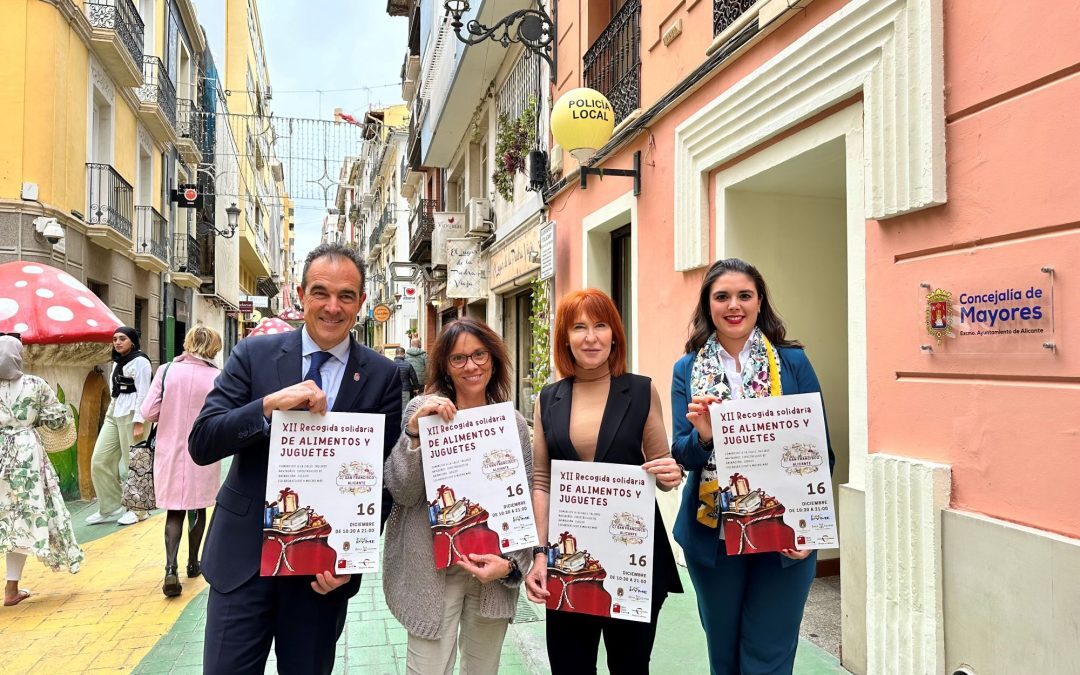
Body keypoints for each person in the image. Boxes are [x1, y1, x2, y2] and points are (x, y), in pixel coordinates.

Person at [189, 243, 402, 674]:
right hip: (242, 563)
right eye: (320, 292)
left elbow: (383, 481)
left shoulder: (382, 375)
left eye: (346, 296)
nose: (332, 307)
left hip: (321, 572)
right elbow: (203, 441)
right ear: (300, 294)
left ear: (362, 303)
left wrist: (350, 557)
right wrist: (267, 406)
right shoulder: (254, 355)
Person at [670, 258, 834, 675]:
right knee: (723, 654)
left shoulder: (793, 363)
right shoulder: (687, 370)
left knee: (770, 654)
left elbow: (819, 452)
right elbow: (683, 455)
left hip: (783, 528)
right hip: (713, 531)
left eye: (744, 295)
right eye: (721, 296)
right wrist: (704, 435)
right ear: (708, 306)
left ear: (760, 302)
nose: (733, 305)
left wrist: (808, 525)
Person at [524, 289, 684, 675]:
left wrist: (670, 474)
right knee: (569, 666)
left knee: (630, 666)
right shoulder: (549, 399)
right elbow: (542, 480)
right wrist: (540, 553)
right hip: (569, 559)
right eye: (579, 327)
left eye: (600, 325)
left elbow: (661, 467)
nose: (591, 337)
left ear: (615, 334)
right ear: (565, 338)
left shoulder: (642, 390)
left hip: (632, 555)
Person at [383, 318, 533, 675]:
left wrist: (512, 566)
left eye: (479, 355)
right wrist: (416, 434)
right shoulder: (423, 412)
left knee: (483, 670)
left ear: (493, 360)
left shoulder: (511, 424)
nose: (471, 366)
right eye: (459, 358)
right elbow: (402, 491)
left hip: (491, 574)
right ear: (446, 368)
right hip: (431, 573)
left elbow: (522, 504)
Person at [139, 325, 224, 598]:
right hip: (203, 450)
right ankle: (193, 562)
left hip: (170, 450)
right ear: (214, 347)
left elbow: (149, 411)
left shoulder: (166, 371)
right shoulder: (217, 378)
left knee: (174, 510)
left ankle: (169, 567)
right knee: (198, 508)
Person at [0, 335, 83, 606]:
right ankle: (11, 589)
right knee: (23, 518)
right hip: (26, 457)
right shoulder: (35, 384)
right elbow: (58, 419)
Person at [87, 326, 151, 526]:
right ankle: (111, 505)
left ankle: (139, 510)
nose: (117, 342)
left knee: (135, 462)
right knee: (100, 460)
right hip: (115, 411)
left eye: (122, 338)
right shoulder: (117, 361)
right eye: (114, 339)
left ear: (132, 340)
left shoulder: (140, 361)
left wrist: (139, 421)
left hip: (133, 414)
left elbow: (144, 391)